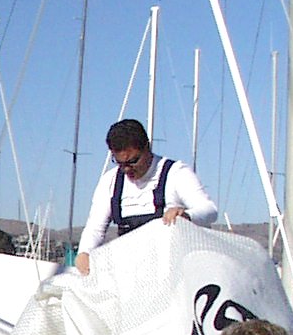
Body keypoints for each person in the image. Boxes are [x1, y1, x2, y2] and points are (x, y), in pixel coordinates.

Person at [74, 118, 217, 275]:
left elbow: (209, 210)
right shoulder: (110, 181)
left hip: (173, 272)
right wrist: (84, 252)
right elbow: (95, 228)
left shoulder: (177, 173)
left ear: (147, 148)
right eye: (120, 163)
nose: (127, 169)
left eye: (133, 161)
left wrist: (186, 215)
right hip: (130, 274)